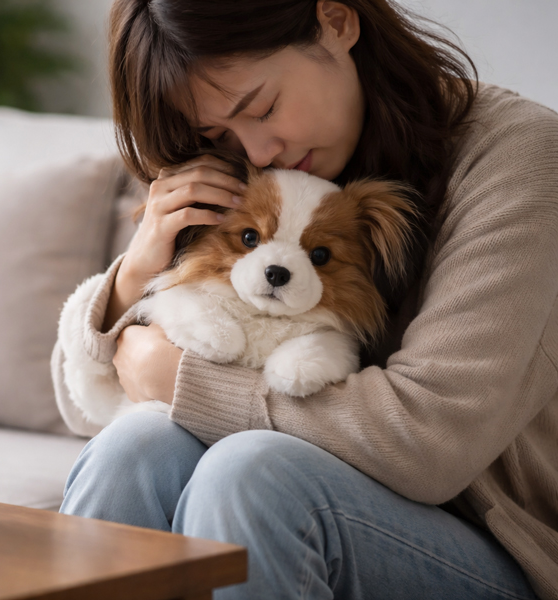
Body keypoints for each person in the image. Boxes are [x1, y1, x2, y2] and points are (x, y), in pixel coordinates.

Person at [51, 0, 558, 598]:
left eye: (262, 108)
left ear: (336, 21)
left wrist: (183, 380)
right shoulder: (245, 177)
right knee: (132, 449)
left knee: (250, 476)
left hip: (493, 544)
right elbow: (79, 407)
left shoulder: (522, 158)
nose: (258, 151)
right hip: (320, 489)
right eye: (220, 135)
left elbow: (428, 443)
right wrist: (136, 273)